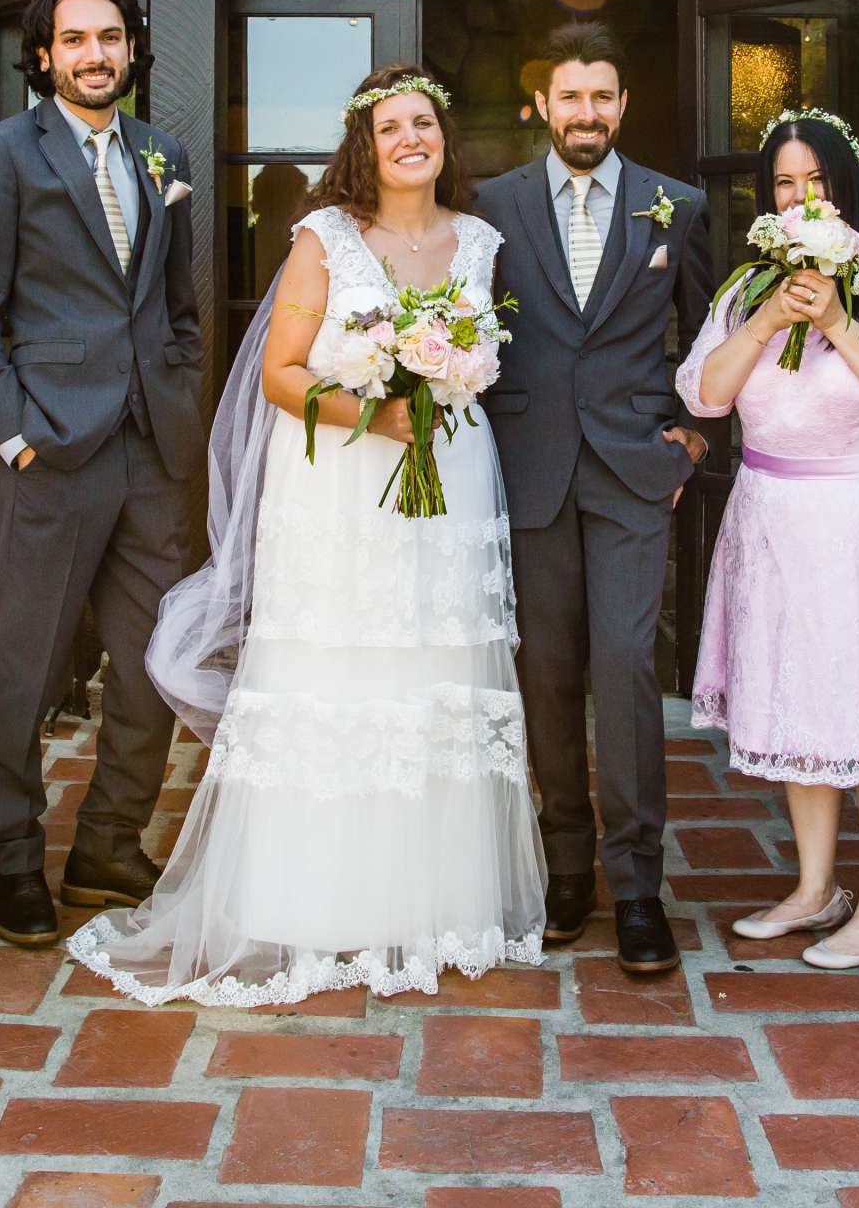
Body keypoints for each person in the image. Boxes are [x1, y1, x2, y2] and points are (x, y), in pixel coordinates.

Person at [66, 65, 544, 1005]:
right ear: (363, 147)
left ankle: (430, 902)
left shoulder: (478, 241)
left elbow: (479, 359)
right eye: (391, 127)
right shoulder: (324, 237)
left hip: (448, 476)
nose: (411, 138)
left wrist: (439, 383)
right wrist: (374, 407)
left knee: (433, 670)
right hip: (337, 484)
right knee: (338, 673)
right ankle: (313, 901)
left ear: (444, 138)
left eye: (425, 122)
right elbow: (283, 374)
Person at [677, 110, 859, 969]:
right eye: (783, 182)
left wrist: (842, 323)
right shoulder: (745, 291)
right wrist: (770, 316)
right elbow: (704, 394)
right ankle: (815, 888)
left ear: (845, 189)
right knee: (796, 700)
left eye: (816, 180)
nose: (800, 196)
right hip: (773, 522)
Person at [0, 0, 204, 948]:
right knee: (26, 660)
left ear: (130, 49)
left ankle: (106, 843)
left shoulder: (161, 153)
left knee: (154, 667)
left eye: (110, 38)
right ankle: (17, 853)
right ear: (44, 53)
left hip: (149, 449)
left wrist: (176, 391)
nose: (95, 54)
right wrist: (10, 434)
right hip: (49, 447)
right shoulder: (3, 155)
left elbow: (175, 304)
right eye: (76, 40)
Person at [476, 22, 714, 976]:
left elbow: (711, 336)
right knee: (547, 675)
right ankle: (565, 866)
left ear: (624, 105)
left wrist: (695, 434)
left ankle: (638, 885)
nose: (587, 115)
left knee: (623, 669)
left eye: (603, 98)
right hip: (526, 466)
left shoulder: (677, 207)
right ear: (543, 105)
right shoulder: (491, 204)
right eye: (571, 98)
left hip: (629, 470)